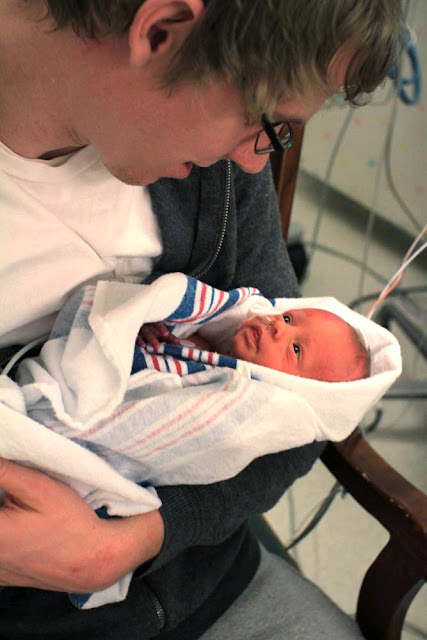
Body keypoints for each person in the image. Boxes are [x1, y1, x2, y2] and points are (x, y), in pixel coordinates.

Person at [0, 1, 400, 639]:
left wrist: (137, 540)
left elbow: (308, 410)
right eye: (265, 122)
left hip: (208, 576)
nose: (256, 163)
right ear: (161, 31)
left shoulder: (210, 168)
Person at [139, 308, 371, 383]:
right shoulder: (201, 343)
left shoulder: (225, 392)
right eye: (288, 318)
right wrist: (148, 326)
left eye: (296, 349)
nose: (278, 326)